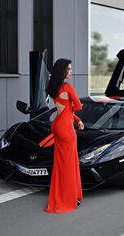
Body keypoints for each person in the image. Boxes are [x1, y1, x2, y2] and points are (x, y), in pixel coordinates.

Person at [44, 58, 84, 214]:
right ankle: (68, 199)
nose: (71, 71)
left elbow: (64, 109)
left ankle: (67, 195)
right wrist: (77, 115)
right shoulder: (67, 87)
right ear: (63, 71)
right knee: (68, 165)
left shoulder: (53, 87)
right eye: (69, 69)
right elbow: (78, 106)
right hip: (66, 129)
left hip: (57, 126)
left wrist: (77, 120)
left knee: (61, 165)